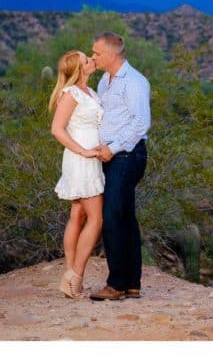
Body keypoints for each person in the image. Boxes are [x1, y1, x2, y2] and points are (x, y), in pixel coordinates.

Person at [88, 32, 151, 301]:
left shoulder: (135, 82)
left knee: (112, 216)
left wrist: (112, 148)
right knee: (125, 217)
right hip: (112, 156)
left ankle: (115, 285)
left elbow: (141, 124)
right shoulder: (104, 80)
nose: (93, 57)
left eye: (96, 53)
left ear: (112, 54)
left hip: (127, 156)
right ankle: (132, 283)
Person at [49, 50, 105, 299]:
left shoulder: (90, 92)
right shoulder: (70, 94)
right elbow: (57, 130)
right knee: (96, 219)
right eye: (87, 60)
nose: (92, 60)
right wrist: (83, 151)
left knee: (78, 214)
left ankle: (70, 274)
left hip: (91, 159)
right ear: (80, 69)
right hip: (81, 159)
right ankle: (75, 277)